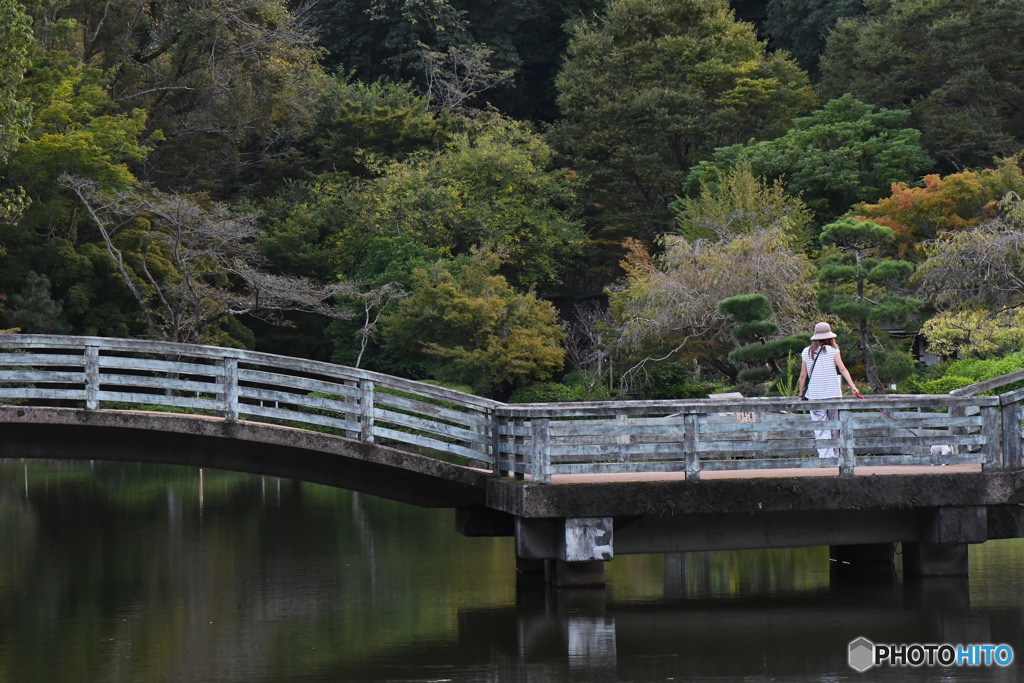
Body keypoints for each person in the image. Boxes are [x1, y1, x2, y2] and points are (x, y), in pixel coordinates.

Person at [797, 322, 861, 458]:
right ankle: (836, 456)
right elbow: (842, 369)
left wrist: (801, 394)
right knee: (834, 426)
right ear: (829, 336)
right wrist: (853, 386)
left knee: (820, 427)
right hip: (833, 395)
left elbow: (803, 375)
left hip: (814, 395)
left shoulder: (806, 352)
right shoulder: (833, 351)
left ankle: (826, 457)